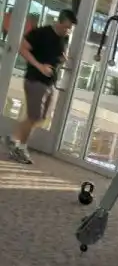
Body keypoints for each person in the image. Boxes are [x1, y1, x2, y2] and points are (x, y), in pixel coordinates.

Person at [5, 9, 77, 165]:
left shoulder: (64, 38)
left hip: (50, 83)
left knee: (41, 117)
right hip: (35, 79)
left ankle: (13, 138)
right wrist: (40, 66)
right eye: (66, 27)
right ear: (59, 22)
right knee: (34, 116)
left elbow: (57, 54)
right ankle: (21, 148)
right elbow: (22, 48)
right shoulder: (41, 33)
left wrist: (62, 58)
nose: (67, 31)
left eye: (70, 28)